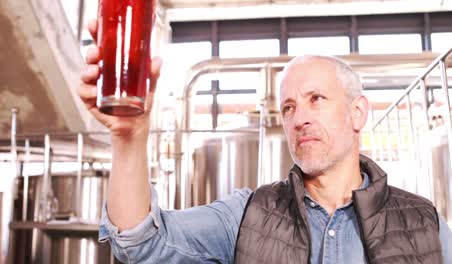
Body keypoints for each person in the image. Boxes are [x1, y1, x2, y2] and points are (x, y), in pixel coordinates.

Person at [78, 20, 452, 264]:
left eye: (316, 99)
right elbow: (139, 242)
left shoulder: (424, 222)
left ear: (357, 113)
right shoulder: (246, 216)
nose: (298, 118)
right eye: (288, 107)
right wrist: (128, 137)